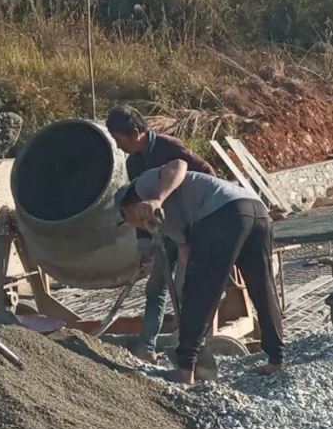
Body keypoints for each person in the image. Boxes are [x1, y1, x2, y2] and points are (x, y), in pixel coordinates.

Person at [121, 159, 285, 384]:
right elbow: (187, 252)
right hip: (256, 210)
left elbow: (179, 165)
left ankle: (185, 369)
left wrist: (157, 198)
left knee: (199, 293)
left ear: (126, 208)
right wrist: (204, 279)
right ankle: (276, 359)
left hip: (225, 212)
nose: (136, 226)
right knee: (262, 286)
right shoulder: (167, 220)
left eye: (128, 221)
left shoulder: (143, 186)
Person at [106, 105, 218, 363]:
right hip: (164, 231)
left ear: (135, 133)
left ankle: (194, 345)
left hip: (192, 227)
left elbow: (208, 176)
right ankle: (147, 345)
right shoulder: (134, 162)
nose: (118, 145)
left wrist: (207, 224)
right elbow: (136, 204)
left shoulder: (169, 148)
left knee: (186, 286)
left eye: (119, 139)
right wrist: (144, 243)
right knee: (155, 287)